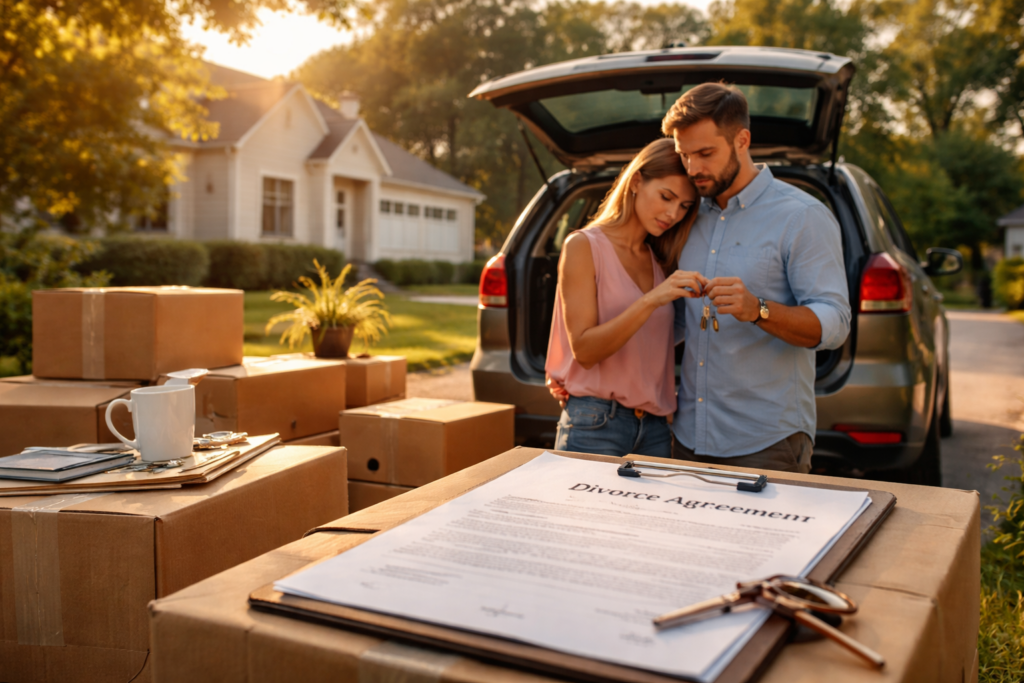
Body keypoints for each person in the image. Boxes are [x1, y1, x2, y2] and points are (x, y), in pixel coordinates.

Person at [662, 82, 851, 473]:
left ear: (742, 139)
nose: (693, 168)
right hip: (686, 438)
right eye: (684, 155)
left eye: (705, 153)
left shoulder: (802, 216)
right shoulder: (685, 215)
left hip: (767, 442)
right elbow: (674, 325)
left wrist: (757, 309)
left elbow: (835, 324)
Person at [546, 137, 704, 458]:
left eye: (684, 206)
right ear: (635, 182)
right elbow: (585, 351)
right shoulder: (584, 246)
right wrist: (650, 300)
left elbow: (653, 342)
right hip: (596, 423)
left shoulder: (660, 259)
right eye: (666, 197)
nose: (673, 213)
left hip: (656, 429)